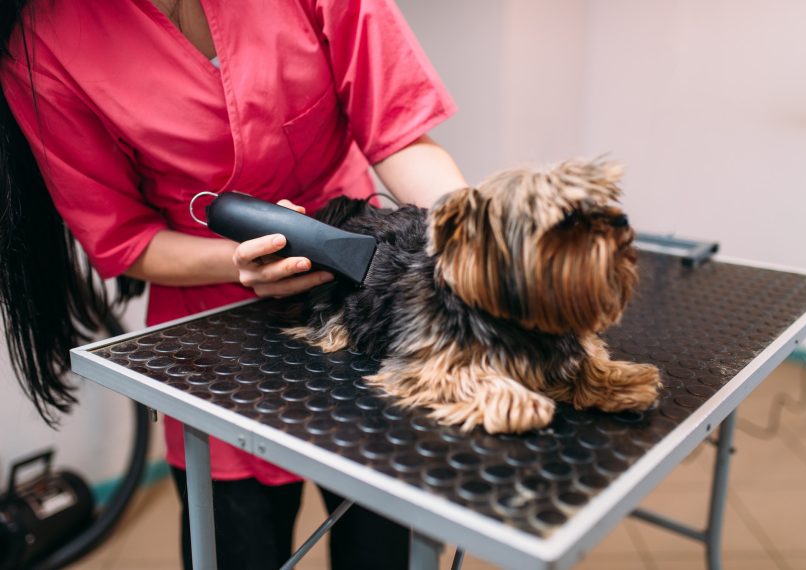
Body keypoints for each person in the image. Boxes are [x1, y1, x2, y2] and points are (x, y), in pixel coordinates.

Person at [0, 0, 467, 568]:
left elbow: (399, 132)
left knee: (384, 545)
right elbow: (124, 239)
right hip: (215, 333)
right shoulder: (47, 43)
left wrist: (473, 245)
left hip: (360, 297)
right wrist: (236, 263)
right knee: (236, 543)